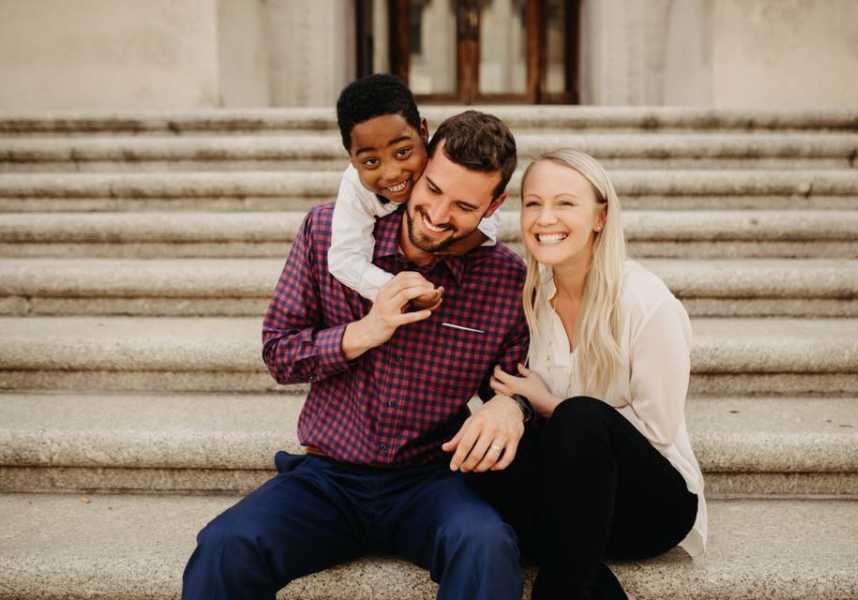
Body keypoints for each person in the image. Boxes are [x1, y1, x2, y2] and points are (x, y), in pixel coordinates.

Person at [181, 109, 532, 600]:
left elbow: (520, 383)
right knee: (225, 546)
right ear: (421, 164)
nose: (437, 214)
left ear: (494, 205)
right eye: (431, 189)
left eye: (463, 206)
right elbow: (279, 353)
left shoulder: (503, 279)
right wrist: (364, 332)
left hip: (431, 481)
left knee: (486, 546)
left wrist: (508, 406)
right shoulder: (328, 233)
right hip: (328, 479)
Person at [474, 149, 708, 600]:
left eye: (565, 203)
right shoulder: (530, 300)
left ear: (600, 216)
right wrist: (510, 404)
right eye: (534, 203)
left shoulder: (645, 302)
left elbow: (658, 429)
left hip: (649, 506)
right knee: (478, 450)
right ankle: (583, 582)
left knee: (580, 417)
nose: (546, 218)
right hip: (568, 505)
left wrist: (548, 404)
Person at [329, 73, 500, 306]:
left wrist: (449, 246)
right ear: (351, 158)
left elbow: (484, 214)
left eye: (402, 152)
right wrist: (399, 289)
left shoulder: (441, 161)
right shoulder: (354, 186)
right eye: (371, 161)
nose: (392, 173)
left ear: (423, 133)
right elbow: (344, 258)